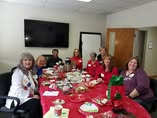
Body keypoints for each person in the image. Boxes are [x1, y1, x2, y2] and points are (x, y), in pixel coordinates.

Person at [5, 52, 42, 118]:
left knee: (41, 98)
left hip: (24, 97)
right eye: (25, 60)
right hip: (16, 100)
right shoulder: (17, 73)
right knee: (35, 104)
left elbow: (31, 86)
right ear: (22, 61)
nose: (28, 62)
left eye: (30, 60)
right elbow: (18, 90)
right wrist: (32, 96)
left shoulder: (28, 72)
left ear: (32, 62)